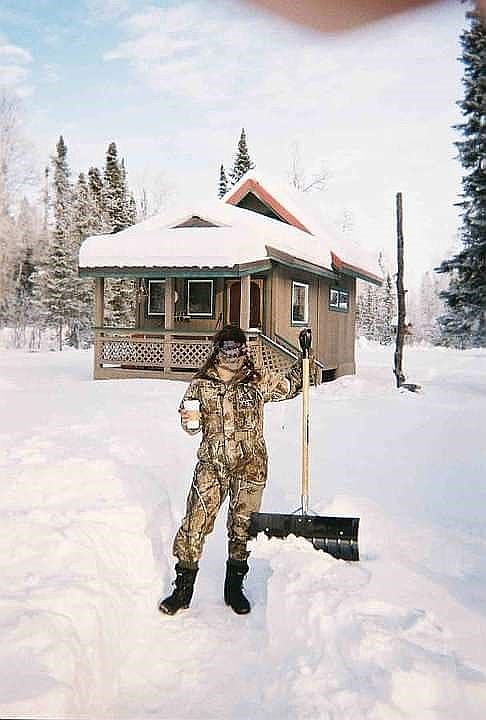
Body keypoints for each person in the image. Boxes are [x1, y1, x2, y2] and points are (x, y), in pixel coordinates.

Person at [159, 324, 314, 616]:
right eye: (225, 347)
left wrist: (305, 357)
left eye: (236, 346)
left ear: (244, 348)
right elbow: (190, 426)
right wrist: (188, 419)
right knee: (194, 524)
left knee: (243, 527)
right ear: (217, 350)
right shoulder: (201, 384)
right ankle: (182, 590)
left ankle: (234, 589)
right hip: (212, 466)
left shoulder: (257, 379)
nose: (231, 353)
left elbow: (292, 385)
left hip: (250, 466)